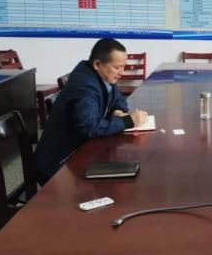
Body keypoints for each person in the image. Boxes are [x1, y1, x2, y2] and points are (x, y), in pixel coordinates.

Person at [33, 38, 148, 185]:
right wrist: (128, 121)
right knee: (116, 184)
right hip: (59, 164)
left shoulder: (101, 75)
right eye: (117, 67)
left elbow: (117, 97)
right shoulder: (86, 86)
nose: (122, 72)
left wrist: (118, 111)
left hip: (80, 148)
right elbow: (90, 127)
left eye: (123, 67)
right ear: (97, 64)